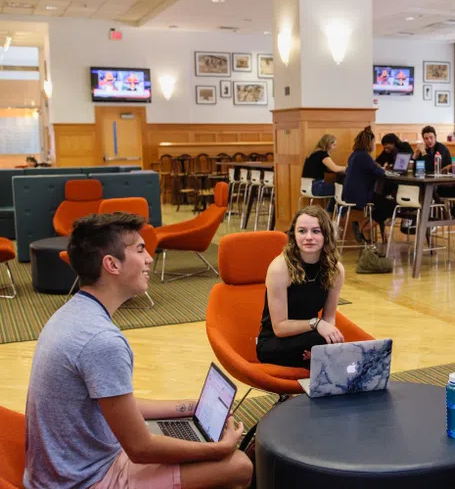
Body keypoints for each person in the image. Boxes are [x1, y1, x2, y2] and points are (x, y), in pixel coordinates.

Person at [24, 213, 252, 489]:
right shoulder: (102, 340)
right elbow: (141, 449)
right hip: (83, 481)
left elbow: (120, 405)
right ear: (111, 264)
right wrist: (221, 449)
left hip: (62, 470)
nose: (150, 259)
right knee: (239, 466)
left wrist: (190, 408)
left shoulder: (74, 313)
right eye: (140, 250)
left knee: (190, 447)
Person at [256, 206, 345, 369]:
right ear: (293, 235)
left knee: (334, 344)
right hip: (273, 343)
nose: (309, 237)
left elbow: (329, 317)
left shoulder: (335, 269)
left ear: (326, 235)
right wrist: (316, 325)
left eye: (316, 231)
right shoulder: (280, 268)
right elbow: (279, 328)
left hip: (309, 336)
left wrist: (326, 345)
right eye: (302, 231)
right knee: (326, 351)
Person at [342, 126, 395, 241]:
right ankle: (366, 228)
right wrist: (386, 171)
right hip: (360, 194)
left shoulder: (354, 154)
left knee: (381, 204)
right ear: (369, 142)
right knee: (390, 206)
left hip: (349, 193)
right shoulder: (364, 156)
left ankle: (361, 224)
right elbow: (378, 172)